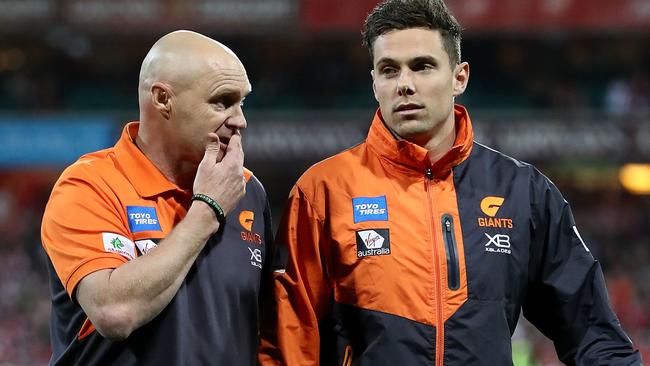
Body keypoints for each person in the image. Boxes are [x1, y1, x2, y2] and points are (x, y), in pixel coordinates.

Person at [258, 0, 643, 365]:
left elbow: (593, 332)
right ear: (374, 82)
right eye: (389, 70)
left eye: (422, 66)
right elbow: (289, 341)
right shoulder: (323, 191)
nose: (404, 84)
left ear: (460, 77)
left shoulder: (523, 192)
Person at [41, 30, 273, 365]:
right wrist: (207, 210)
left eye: (242, 102)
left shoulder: (248, 190)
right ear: (163, 99)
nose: (240, 121)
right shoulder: (90, 186)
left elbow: (267, 330)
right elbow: (114, 312)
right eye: (222, 101)